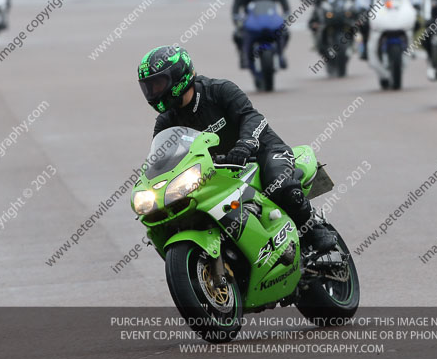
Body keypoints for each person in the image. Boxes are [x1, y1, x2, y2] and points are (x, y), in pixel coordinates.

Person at [138, 45, 337, 253]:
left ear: (178, 77)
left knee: (279, 185)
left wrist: (245, 145)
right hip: (218, 171)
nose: (153, 92)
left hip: (263, 152)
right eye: (148, 87)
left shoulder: (219, 90)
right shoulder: (166, 122)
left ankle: (314, 229)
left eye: (158, 84)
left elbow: (252, 117)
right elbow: (162, 156)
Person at [232, 0, 290, 69]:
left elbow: (283, 1)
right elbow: (237, 4)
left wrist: (286, 13)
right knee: (237, 35)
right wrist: (236, 17)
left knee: (285, 32)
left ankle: (280, 54)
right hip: (251, 19)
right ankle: (243, 55)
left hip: (270, 18)